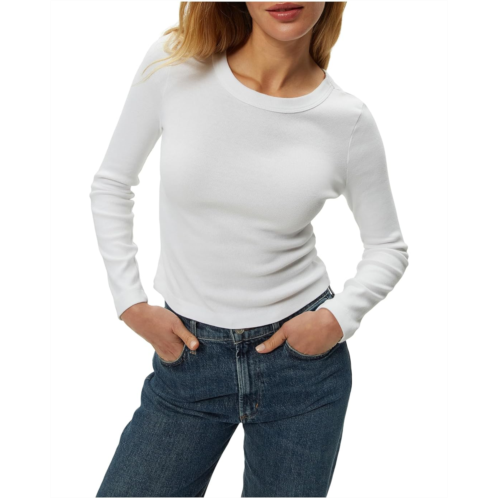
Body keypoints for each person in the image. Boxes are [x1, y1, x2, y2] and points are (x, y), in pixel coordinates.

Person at [91, 2, 409, 496]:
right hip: (189, 360)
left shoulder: (346, 120)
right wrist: (130, 303)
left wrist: (336, 319)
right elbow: (112, 183)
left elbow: (388, 247)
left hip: (301, 371)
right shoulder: (177, 63)